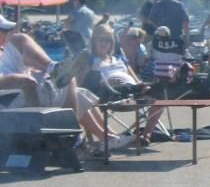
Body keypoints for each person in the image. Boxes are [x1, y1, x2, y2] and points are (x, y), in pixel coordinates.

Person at [0, 15, 133, 151]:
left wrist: (36, 73)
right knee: (20, 39)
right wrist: (22, 79)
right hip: (9, 101)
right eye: (4, 30)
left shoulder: (4, 51)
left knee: (76, 90)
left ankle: (105, 137)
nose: (8, 33)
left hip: (24, 92)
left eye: (7, 30)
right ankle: (74, 137)